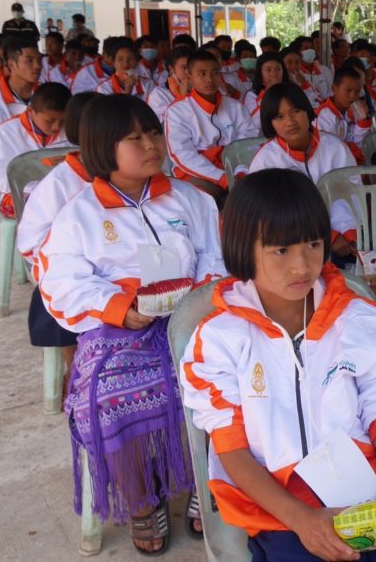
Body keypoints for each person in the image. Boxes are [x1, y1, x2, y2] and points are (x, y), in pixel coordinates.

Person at [180, 169, 376, 562]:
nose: (302, 265)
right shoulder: (222, 338)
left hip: (367, 487)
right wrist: (303, 521)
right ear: (242, 247)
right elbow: (232, 452)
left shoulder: (357, 321)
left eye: (313, 243)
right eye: (280, 250)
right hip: (280, 509)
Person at [39, 94, 224, 553]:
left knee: (233, 374)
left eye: (154, 132)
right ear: (104, 147)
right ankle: (144, 496)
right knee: (107, 396)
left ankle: (212, 481)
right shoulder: (80, 214)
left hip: (194, 316)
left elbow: (214, 256)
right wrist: (120, 307)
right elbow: (61, 280)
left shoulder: (192, 199)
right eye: (134, 137)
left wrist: (199, 297)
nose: (151, 144)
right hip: (120, 328)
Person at [17, 91, 98, 405]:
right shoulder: (59, 182)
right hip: (72, 270)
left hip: (115, 271)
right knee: (59, 299)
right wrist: (72, 269)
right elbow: (32, 243)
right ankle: (76, 364)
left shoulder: (126, 178)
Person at [248, 83, 357, 264]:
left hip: (343, 239)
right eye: (279, 117)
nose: (290, 122)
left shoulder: (335, 148)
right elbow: (271, 216)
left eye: (296, 111)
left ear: (307, 111)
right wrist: (326, 236)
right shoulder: (265, 161)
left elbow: (349, 196)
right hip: (292, 243)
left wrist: (343, 231)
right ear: (270, 123)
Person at [165, 49, 258, 200]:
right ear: (190, 77)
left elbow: (246, 144)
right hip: (197, 174)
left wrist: (237, 173)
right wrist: (222, 177)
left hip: (235, 171)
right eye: (201, 74)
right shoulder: (178, 111)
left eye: (215, 73)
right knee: (203, 199)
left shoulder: (236, 107)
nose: (209, 79)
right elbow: (183, 155)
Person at [0, 81, 71, 218]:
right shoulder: (6, 133)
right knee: (42, 213)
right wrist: (36, 175)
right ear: (30, 111)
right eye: (50, 120)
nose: (56, 127)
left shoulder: (71, 131)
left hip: (59, 192)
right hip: (18, 193)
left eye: (62, 121)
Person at [0, 36, 41, 150]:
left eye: (39, 60)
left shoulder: (45, 91)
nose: (37, 66)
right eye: (29, 60)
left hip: (46, 158)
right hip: (9, 161)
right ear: (11, 65)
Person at [314, 66, 371, 164]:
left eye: (357, 92)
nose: (353, 96)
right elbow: (329, 152)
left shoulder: (349, 111)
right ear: (334, 89)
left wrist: (362, 121)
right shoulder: (325, 115)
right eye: (348, 91)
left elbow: (358, 142)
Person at [146, 46, 193, 120]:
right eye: (184, 67)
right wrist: (182, 97)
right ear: (171, 69)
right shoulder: (159, 93)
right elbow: (162, 124)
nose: (188, 72)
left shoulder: (202, 89)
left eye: (191, 67)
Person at [243, 53, 289, 123]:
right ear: (260, 73)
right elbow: (254, 123)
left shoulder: (291, 91)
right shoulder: (252, 95)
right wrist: (266, 93)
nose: (274, 74)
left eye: (278, 69)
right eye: (269, 70)